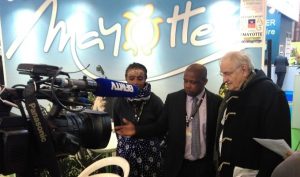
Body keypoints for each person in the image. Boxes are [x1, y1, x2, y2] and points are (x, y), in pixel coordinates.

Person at [115, 63, 222, 177]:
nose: (188, 85)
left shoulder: (216, 102)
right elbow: (159, 127)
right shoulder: (173, 99)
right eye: (185, 81)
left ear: (205, 81)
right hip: (177, 166)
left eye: (193, 82)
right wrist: (137, 130)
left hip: (204, 166)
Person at [216, 51, 291, 177]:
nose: (224, 80)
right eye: (222, 74)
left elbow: (277, 145)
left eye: (227, 74)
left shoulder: (271, 94)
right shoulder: (233, 90)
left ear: (244, 70)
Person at [112, 62, 165, 177]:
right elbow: (118, 128)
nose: (135, 82)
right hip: (125, 151)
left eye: (140, 78)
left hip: (150, 152)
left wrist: (137, 131)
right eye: (131, 78)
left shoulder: (155, 101)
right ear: (126, 79)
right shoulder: (119, 101)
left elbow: (162, 128)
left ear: (145, 79)